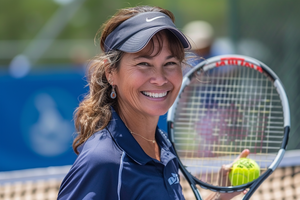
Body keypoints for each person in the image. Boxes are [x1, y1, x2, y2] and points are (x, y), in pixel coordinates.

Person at [57, 5, 248, 200]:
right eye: (144, 64)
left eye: (170, 63)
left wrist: (219, 196)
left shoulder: (162, 145)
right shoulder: (102, 161)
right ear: (111, 73)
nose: (160, 78)